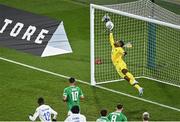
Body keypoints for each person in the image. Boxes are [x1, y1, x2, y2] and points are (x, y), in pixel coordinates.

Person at [102, 15, 143, 96]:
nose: (116, 41)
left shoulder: (120, 49)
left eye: (118, 41)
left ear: (120, 44)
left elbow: (124, 53)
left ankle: (134, 80)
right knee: (127, 79)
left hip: (120, 63)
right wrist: (110, 30)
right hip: (116, 66)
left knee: (125, 71)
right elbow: (111, 38)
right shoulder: (114, 46)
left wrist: (124, 53)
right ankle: (139, 88)